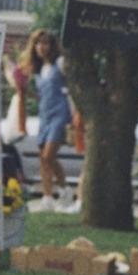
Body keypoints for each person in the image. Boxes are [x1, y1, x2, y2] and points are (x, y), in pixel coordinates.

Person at [19, 29, 80, 211]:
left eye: (45, 43)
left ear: (52, 46)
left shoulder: (60, 64)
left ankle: (64, 188)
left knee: (48, 155)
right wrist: (25, 92)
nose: (41, 47)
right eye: (38, 43)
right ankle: (48, 197)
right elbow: (43, 95)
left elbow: (71, 89)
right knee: (43, 158)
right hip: (44, 115)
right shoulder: (38, 70)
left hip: (60, 114)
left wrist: (75, 116)